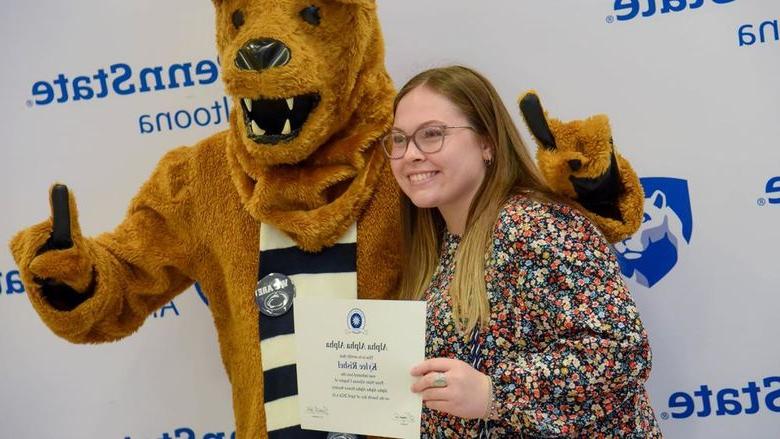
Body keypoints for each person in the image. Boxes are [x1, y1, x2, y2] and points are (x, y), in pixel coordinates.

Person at [381, 65, 662, 438]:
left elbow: (620, 351)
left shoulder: (536, 225)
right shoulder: (438, 246)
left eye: (432, 134)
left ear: (487, 143)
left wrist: (494, 392)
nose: (411, 154)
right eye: (399, 140)